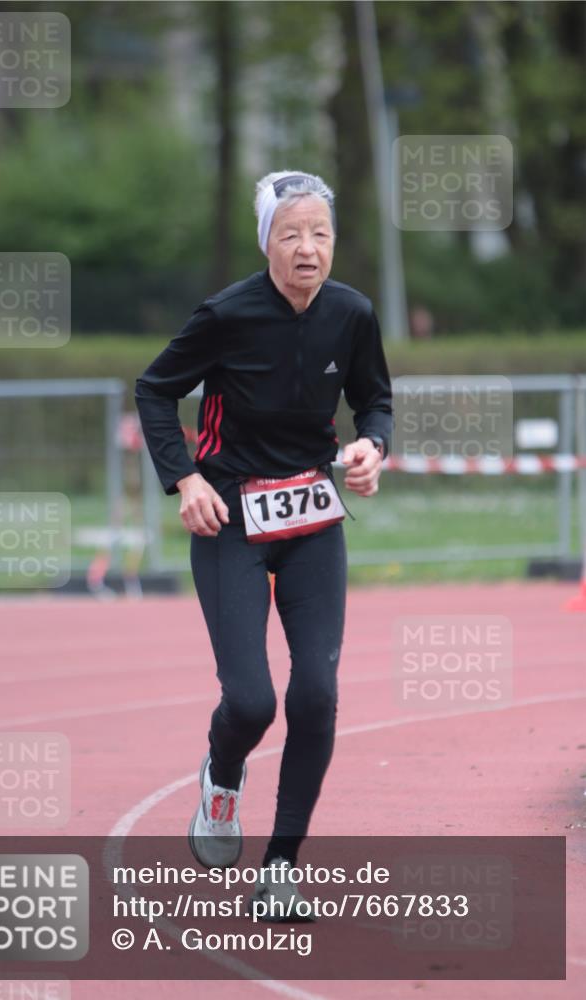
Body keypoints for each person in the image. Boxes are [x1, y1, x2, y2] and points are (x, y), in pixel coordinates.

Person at [135, 170, 392, 920]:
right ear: (266, 243)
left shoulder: (351, 313)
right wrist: (185, 482)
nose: (307, 249)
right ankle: (221, 776)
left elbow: (373, 396)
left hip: (310, 517)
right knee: (250, 700)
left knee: (316, 693)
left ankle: (280, 865)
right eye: (290, 234)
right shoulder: (226, 314)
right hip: (229, 522)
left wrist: (372, 446)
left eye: (320, 234)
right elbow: (154, 390)